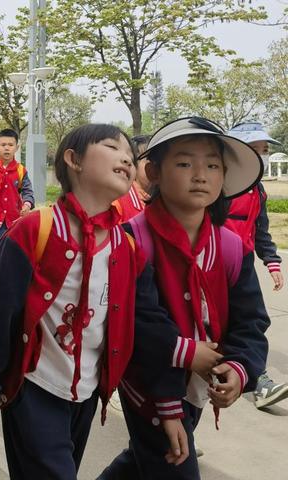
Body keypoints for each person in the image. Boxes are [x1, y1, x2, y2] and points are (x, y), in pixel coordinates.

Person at [0, 124, 184, 480]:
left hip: (85, 395)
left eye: (130, 153)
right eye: (112, 146)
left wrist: (169, 400)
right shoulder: (34, 231)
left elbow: (145, 326)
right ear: (73, 159)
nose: (126, 157)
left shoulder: (127, 248)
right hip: (34, 389)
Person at [99, 117, 270, 479]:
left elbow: (251, 321)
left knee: (143, 461)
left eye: (212, 164)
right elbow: (137, 321)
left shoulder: (232, 248)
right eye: (184, 163)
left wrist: (239, 370)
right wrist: (168, 403)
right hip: (147, 385)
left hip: (195, 385)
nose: (200, 175)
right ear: (153, 171)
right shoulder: (131, 241)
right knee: (172, 462)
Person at [224, 121, 287, 409]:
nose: (261, 155)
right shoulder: (220, 184)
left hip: (244, 263)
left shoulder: (258, 190)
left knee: (251, 319)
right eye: (255, 149)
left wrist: (271, 261)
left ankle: (256, 380)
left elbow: (260, 229)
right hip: (216, 261)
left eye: (264, 150)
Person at [0, 128, 35, 247]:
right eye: (3, 144)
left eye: (10, 144)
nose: (7, 148)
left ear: (17, 147)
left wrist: (27, 204)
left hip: (15, 221)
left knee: (14, 254)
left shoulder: (21, 170)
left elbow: (27, 191)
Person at [113, 135, 152, 222]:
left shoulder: (166, 202)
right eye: (149, 159)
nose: (156, 166)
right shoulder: (118, 202)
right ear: (133, 165)